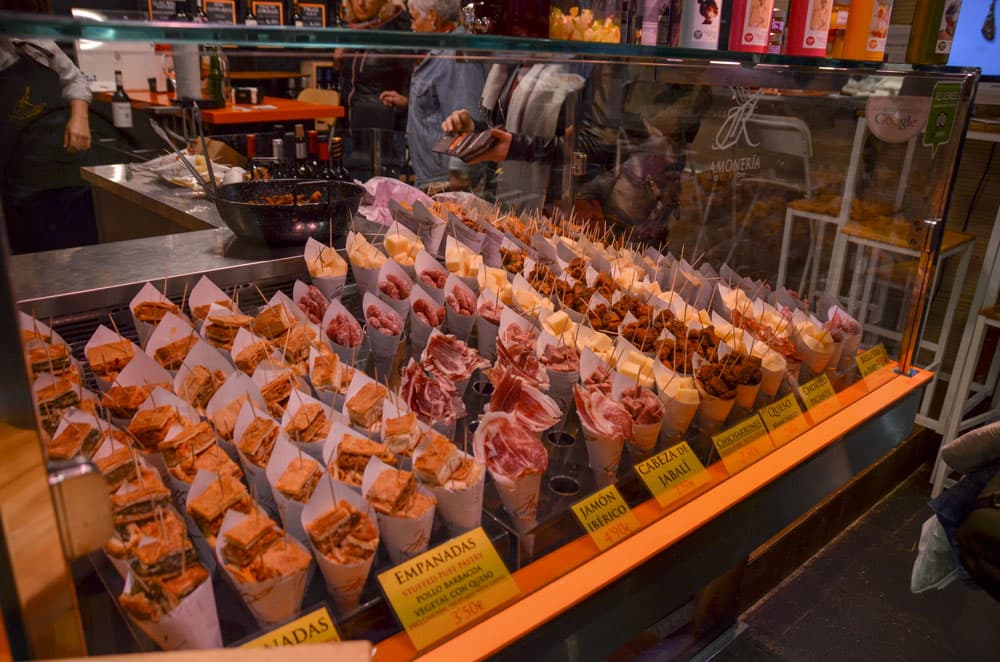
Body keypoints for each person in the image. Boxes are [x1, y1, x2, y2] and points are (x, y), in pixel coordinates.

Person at [0, 27, 98, 254]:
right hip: (21, 173)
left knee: (87, 246)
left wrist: (80, 117)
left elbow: (74, 80)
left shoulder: (35, 39)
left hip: (67, 159)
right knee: (37, 251)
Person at [377, 0, 488, 192]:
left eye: (414, 17)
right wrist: (408, 103)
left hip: (445, 183)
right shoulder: (445, 50)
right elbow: (442, 101)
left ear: (433, 17)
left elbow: (466, 119)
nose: (412, 26)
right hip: (435, 178)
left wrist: (457, 179)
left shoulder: (456, 53)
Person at [336, 0, 413, 178]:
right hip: (350, 131)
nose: (361, 4)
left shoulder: (397, 27)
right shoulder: (353, 29)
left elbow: (419, 71)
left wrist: (407, 101)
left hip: (384, 135)